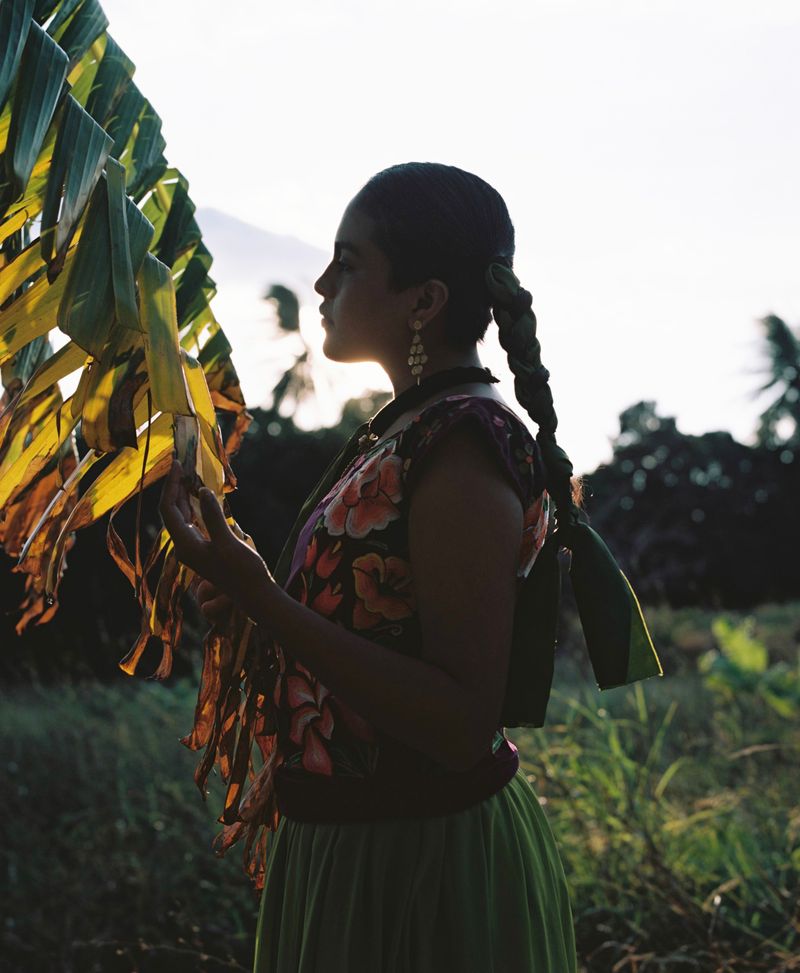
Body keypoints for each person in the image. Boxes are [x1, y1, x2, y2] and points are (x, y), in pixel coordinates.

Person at [160, 162, 582, 972]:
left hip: (421, 865)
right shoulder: (403, 431)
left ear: (424, 300)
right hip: (353, 848)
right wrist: (246, 602)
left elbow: (460, 720)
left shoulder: (461, 445)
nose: (320, 282)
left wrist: (261, 595)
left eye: (348, 262)